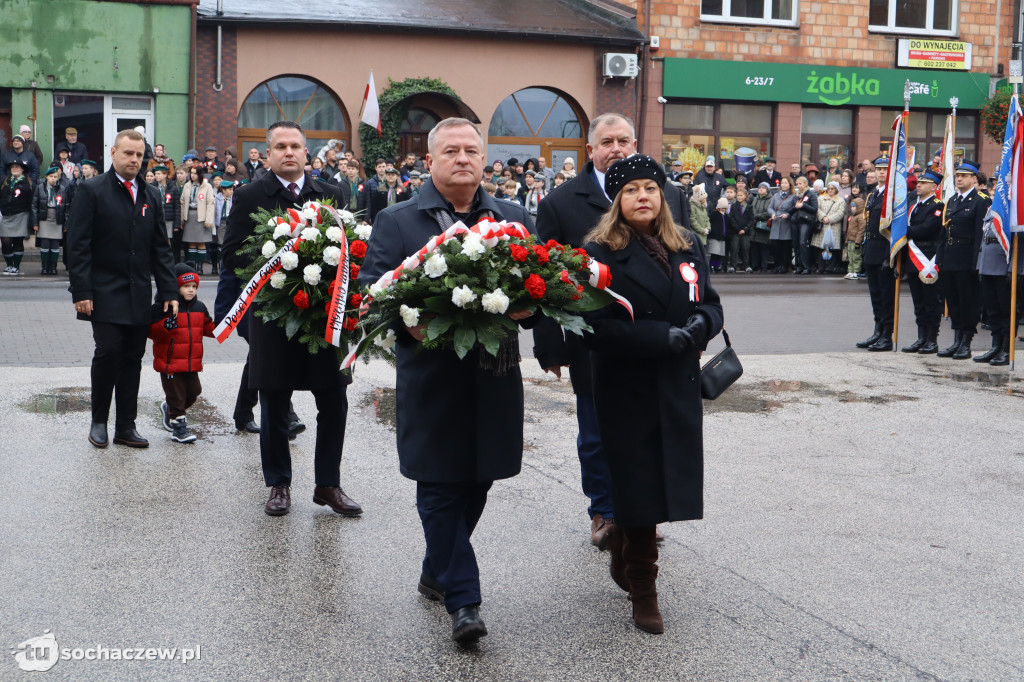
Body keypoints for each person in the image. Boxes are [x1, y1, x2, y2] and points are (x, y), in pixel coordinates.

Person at [360, 117, 535, 645]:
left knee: (478, 479)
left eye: (473, 151)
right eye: (452, 151)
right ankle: (465, 600)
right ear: (430, 160)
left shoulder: (514, 216)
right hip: (433, 375)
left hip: (494, 374)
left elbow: (540, 280)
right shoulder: (397, 221)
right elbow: (373, 291)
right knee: (438, 483)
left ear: (485, 160)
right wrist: (407, 321)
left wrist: (532, 306)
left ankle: (438, 569)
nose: (464, 159)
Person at [580, 154, 723, 634]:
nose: (642, 196)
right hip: (627, 387)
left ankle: (623, 535)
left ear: (662, 195)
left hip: (676, 386)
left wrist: (702, 324)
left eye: (650, 188)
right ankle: (644, 588)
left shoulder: (686, 244)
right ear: (617, 201)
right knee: (640, 486)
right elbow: (593, 327)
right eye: (631, 190)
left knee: (664, 484)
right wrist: (659, 337)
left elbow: (710, 303)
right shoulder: (599, 252)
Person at [531, 114, 685, 548]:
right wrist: (550, 348)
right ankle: (604, 510)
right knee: (597, 431)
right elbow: (544, 280)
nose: (616, 148)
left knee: (652, 430)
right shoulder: (560, 203)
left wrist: (692, 332)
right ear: (590, 150)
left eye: (624, 140)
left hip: (659, 340)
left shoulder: (667, 193)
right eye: (607, 141)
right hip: (594, 341)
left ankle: (644, 513)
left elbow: (685, 264)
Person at [220, 120, 358, 518]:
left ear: (306, 152)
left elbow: (351, 247)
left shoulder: (331, 193)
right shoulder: (249, 195)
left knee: (334, 399)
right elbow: (231, 254)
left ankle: (328, 484)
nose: (289, 152)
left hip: (322, 318)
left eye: (295, 145)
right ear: (267, 154)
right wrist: (279, 264)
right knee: (275, 402)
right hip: (274, 317)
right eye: (280, 146)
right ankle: (278, 484)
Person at [66, 128, 178, 448]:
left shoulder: (150, 194)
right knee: (109, 352)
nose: (134, 159)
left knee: (132, 357)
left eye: (139, 155)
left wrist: (168, 291)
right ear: (112, 153)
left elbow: (161, 248)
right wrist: (81, 291)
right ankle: (99, 420)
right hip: (102, 292)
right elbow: (78, 246)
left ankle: (126, 426)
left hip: (138, 293)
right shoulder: (91, 190)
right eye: (128, 153)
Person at [149, 264, 216, 443]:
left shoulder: (200, 307)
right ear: (175, 287)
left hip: (190, 362)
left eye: (194, 286)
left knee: (194, 391)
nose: (191, 290)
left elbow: (208, 328)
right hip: (169, 363)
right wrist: (165, 326)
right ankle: (179, 428)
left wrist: (223, 325)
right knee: (177, 397)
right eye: (186, 286)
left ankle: (169, 409)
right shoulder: (163, 307)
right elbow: (151, 332)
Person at [936, 160, 989, 359]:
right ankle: (956, 339)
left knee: (968, 301)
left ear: (974, 179)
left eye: (964, 176)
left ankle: (966, 341)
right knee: (953, 301)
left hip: (967, 258)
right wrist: (939, 258)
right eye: (958, 175)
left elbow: (979, 234)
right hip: (950, 257)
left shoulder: (981, 200)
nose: (959, 178)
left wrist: (976, 262)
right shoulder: (952, 201)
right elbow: (944, 232)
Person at [899, 170, 944, 353]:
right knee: (918, 302)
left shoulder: (938, 206)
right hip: (913, 258)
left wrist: (902, 231)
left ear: (934, 187)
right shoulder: (913, 206)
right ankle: (921, 337)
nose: (918, 185)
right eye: (918, 182)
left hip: (928, 259)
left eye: (923, 183)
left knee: (931, 301)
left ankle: (932, 339)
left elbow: (926, 229)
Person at [856, 157, 895, 352]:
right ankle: (878, 330)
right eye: (878, 169)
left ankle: (887, 335)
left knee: (887, 295)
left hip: (884, 249)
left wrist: (892, 254)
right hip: (871, 247)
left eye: (885, 169)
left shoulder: (894, 196)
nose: (881, 173)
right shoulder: (872, 195)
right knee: (875, 294)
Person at [33, 164, 71, 276]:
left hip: (57, 217)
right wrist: (35, 222)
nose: (53, 179)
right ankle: (45, 267)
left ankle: (53, 267)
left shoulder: (62, 189)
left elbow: (67, 207)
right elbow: (34, 205)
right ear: (46, 177)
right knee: (45, 243)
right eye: (51, 176)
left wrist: (66, 224)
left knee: (55, 244)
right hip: (44, 217)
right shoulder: (40, 188)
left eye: (55, 177)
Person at [1, 159, 35, 276]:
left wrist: (32, 220)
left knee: (17, 241)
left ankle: (16, 266)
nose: (14, 169)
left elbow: (32, 203)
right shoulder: (4, 182)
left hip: (21, 215)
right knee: (5, 241)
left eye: (17, 167)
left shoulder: (28, 184)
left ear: (22, 169)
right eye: (12, 167)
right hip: (6, 216)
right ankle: (9, 265)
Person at [179, 166, 215, 273]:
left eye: (195, 173)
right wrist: (182, 219)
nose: (192, 175)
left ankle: (200, 266)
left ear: (200, 174)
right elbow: (182, 202)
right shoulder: (187, 185)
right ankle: (193, 265)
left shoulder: (207, 186)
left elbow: (210, 203)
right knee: (191, 242)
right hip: (190, 215)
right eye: (191, 173)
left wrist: (208, 219)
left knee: (201, 242)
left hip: (201, 216)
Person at [813, 181, 846, 274]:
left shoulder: (840, 200)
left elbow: (841, 213)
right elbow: (817, 209)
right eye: (829, 188)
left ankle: (830, 267)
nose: (830, 190)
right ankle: (821, 267)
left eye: (832, 188)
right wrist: (823, 217)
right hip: (822, 225)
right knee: (820, 247)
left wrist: (830, 219)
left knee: (832, 247)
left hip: (834, 226)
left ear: (836, 190)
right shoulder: (820, 198)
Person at [790, 175, 819, 275]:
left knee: (803, 243)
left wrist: (803, 205)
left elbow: (814, 209)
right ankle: (798, 266)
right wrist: (796, 207)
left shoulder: (811, 195)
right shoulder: (796, 195)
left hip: (805, 221)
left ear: (806, 184)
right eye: (797, 184)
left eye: (800, 183)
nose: (799, 185)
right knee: (796, 244)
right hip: (795, 221)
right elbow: (791, 210)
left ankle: (807, 266)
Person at [769, 177, 795, 273]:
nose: (783, 184)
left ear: (789, 185)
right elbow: (770, 207)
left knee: (785, 246)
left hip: (786, 223)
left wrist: (788, 215)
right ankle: (777, 265)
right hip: (776, 222)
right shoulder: (776, 195)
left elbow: (794, 209)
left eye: (785, 183)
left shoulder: (793, 197)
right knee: (776, 246)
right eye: (782, 183)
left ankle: (785, 265)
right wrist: (772, 214)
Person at [749, 182, 773, 272]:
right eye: (759, 188)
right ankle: (755, 266)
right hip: (755, 226)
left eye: (763, 188)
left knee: (764, 247)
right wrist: (754, 215)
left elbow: (768, 212)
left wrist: (757, 216)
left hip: (764, 226)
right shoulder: (755, 199)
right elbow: (752, 209)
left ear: (767, 190)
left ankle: (764, 266)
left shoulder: (771, 199)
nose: (761, 189)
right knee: (754, 247)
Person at [729, 187, 752, 272]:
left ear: (745, 196)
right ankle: (733, 265)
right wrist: (738, 229)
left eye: (741, 195)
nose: (739, 197)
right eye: (738, 195)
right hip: (736, 232)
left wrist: (745, 229)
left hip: (745, 232)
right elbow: (732, 219)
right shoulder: (734, 206)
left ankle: (746, 265)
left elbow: (751, 220)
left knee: (745, 248)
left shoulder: (749, 207)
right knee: (734, 247)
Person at [844, 192, 866, 280]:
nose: (852, 208)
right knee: (850, 256)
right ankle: (851, 270)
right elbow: (849, 230)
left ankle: (856, 271)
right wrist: (847, 240)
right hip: (850, 240)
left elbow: (861, 230)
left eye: (854, 207)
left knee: (856, 256)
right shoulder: (853, 216)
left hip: (855, 241)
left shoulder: (861, 217)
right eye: (852, 206)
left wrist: (858, 241)